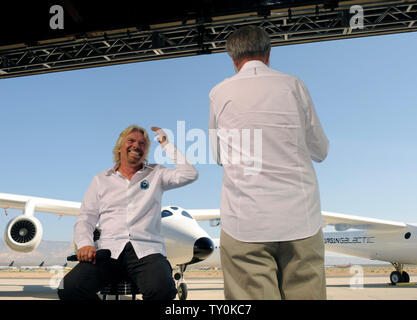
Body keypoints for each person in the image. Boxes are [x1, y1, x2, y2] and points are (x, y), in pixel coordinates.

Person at [209, 25, 329, 300]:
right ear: (268, 53)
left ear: (232, 57)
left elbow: (217, 156)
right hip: (300, 218)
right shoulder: (293, 85)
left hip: (245, 221)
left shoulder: (218, 93)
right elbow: (320, 150)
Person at [57, 125, 198, 300]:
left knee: (163, 290)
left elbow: (190, 174)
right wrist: (85, 243)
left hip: (147, 252)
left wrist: (166, 145)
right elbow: (86, 217)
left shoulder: (157, 173)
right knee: (69, 288)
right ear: (120, 146)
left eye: (142, 143)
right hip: (108, 251)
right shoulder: (101, 180)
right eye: (131, 141)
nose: (136, 145)